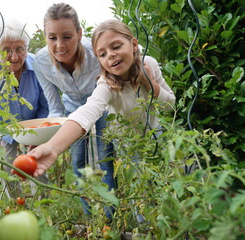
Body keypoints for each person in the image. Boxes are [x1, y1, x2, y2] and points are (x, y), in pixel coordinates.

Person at [28, 19, 176, 219]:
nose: (111, 55)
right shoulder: (106, 83)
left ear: (133, 44)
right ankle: (144, 225)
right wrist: (54, 147)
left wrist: (149, 83)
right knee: (139, 189)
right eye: (102, 54)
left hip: (154, 135)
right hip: (127, 142)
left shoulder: (150, 64)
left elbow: (170, 105)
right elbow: (87, 111)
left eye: (116, 46)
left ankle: (166, 220)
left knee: (164, 185)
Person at [32, 3, 115, 219]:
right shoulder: (41, 62)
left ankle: (110, 215)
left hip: (101, 103)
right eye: (52, 38)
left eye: (67, 36)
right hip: (72, 109)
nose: (60, 45)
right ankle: (90, 217)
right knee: (78, 160)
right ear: (45, 37)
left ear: (79, 34)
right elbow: (55, 107)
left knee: (105, 156)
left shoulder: (95, 52)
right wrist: (46, 138)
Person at [0, 19, 49, 200]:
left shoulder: (37, 65)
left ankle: (44, 210)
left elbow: (45, 105)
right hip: (4, 127)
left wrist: (38, 134)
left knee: (38, 167)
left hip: (34, 124)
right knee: (5, 168)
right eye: (6, 50)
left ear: (26, 48)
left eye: (20, 49)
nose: (14, 57)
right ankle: (16, 207)